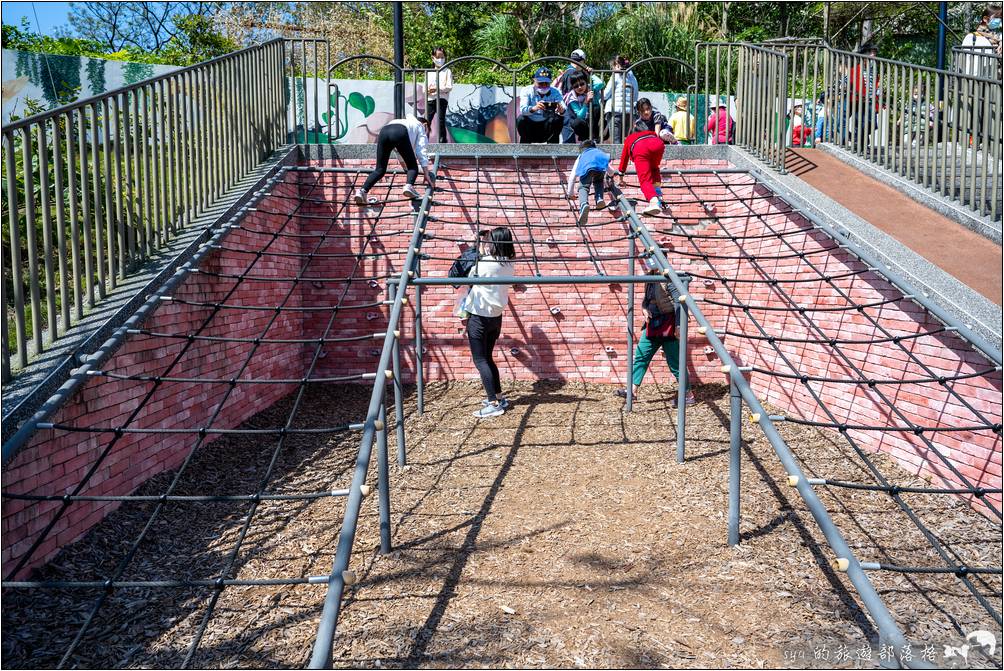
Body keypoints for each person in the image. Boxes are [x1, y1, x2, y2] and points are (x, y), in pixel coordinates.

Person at [615, 262, 695, 407]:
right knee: (641, 355)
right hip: (652, 324)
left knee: (676, 363)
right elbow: (646, 300)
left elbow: (679, 303)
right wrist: (644, 308)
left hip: (668, 325)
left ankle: (688, 395)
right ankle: (632, 391)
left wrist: (678, 325)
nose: (649, 261)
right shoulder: (649, 277)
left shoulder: (669, 277)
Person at [463, 227, 517, 418]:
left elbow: (463, 274)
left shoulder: (484, 264)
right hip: (495, 317)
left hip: (479, 316)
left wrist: (474, 245)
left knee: (480, 360)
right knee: (488, 357)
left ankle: (494, 404)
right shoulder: (509, 264)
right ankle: (499, 397)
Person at [355, 114, 433, 205]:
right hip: (400, 132)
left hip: (384, 131)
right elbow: (421, 151)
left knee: (379, 169)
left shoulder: (404, 122)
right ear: (425, 125)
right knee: (413, 166)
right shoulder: (420, 126)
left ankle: (362, 191)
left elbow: (400, 151)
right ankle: (408, 187)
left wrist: (406, 168)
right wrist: (426, 173)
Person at [615, 125, 667, 216]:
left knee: (644, 179)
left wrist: (621, 177)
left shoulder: (630, 138)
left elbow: (624, 160)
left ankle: (654, 202)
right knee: (654, 168)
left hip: (640, 147)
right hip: (658, 144)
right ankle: (658, 195)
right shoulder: (650, 132)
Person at [565, 140, 617, 224]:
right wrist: (610, 176)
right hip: (599, 170)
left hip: (587, 170)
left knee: (583, 187)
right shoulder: (600, 153)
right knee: (599, 182)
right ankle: (599, 199)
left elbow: (572, 177)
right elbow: (610, 170)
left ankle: (584, 204)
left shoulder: (582, 155)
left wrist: (570, 194)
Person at [517, 67, 565, 143]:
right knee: (521, 119)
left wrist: (561, 110)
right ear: (534, 81)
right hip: (530, 128)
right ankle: (524, 147)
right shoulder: (526, 90)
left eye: (546, 83)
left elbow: (564, 109)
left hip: (547, 128)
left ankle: (554, 148)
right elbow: (523, 110)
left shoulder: (556, 91)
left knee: (558, 119)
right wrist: (534, 108)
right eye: (540, 83)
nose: (543, 85)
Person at [848, 43, 880, 149]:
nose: (873, 55)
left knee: (872, 124)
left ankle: (860, 138)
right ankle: (861, 144)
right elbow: (851, 83)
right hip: (859, 101)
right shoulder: (855, 69)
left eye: (875, 53)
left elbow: (876, 85)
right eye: (871, 53)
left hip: (871, 101)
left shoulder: (874, 71)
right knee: (861, 123)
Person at [603, 55, 639, 143]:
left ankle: (617, 156)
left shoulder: (615, 76)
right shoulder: (632, 77)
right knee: (626, 138)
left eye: (613, 67)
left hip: (614, 111)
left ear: (617, 65)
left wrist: (601, 99)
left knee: (616, 139)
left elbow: (606, 94)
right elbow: (635, 95)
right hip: (628, 112)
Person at [960, 5, 1002, 78]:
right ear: (985, 19)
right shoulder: (971, 37)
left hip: (992, 79)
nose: (999, 21)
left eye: (1000, 18)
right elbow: (964, 59)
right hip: (974, 78)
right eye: (997, 18)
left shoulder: (997, 38)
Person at [562, 72, 603, 142]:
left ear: (586, 83)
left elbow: (601, 84)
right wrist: (585, 102)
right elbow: (580, 116)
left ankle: (594, 136)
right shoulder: (571, 97)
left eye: (582, 84)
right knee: (576, 122)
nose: (579, 87)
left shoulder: (591, 89)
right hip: (583, 124)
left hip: (593, 122)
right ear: (572, 87)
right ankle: (585, 138)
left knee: (596, 108)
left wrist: (591, 74)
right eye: (576, 86)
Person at [425, 46, 454, 143]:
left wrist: (437, 89)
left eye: (442, 57)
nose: (440, 59)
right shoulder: (429, 72)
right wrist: (429, 90)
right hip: (430, 99)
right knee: (427, 120)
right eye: (438, 57)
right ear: (433, 57)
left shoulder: (447, 71)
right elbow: (425, 89)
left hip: (442, 99)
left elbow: (449, 87)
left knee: (441, 119)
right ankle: (424, 138)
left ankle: (443, 140)